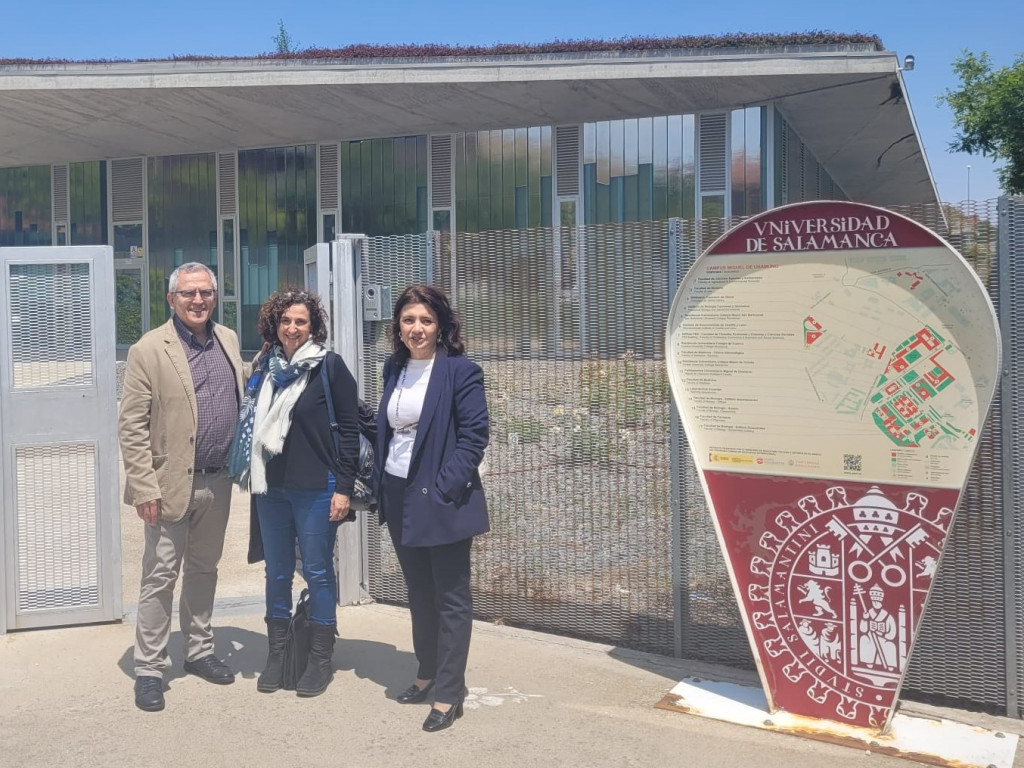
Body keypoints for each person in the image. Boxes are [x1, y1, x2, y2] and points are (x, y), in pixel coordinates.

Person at [119, 262, 245, 712]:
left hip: (218, 480)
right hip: (169, 485)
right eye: (189, 293)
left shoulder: (228, 339)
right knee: (160, 576)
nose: (198, 300)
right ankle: (150, 668)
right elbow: (132, 425)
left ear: (215, 296)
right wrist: (144, 488)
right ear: (171, 299)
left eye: (205, 292)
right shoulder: (149, 349)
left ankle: (199, 650)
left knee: (204, 569)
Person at [375, 284, 489, 732]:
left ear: (441, 325)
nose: (416, 328)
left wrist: (444, 487)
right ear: (397, 326)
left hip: (441, 498)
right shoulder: (394, 367)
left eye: (425, 320)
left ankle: (449, 692)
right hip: (398, 492)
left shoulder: (461, 371)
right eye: (408, 320)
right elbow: (391, 427)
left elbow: (474, 436)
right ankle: (426, 672)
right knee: (419, 593)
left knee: (451, 599)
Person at [247, 289, 360, 697]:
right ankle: (277, 654)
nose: (292, 328)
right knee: (276, 571)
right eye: (286, 321)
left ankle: (319, 659)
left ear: (313, 328)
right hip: (271, 487)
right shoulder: (265, 366)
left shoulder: (329, 366)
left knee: (317, 570)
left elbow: (350, 430)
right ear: (274, 325)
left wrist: (343, 488)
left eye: (301, 321)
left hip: (317, 487)